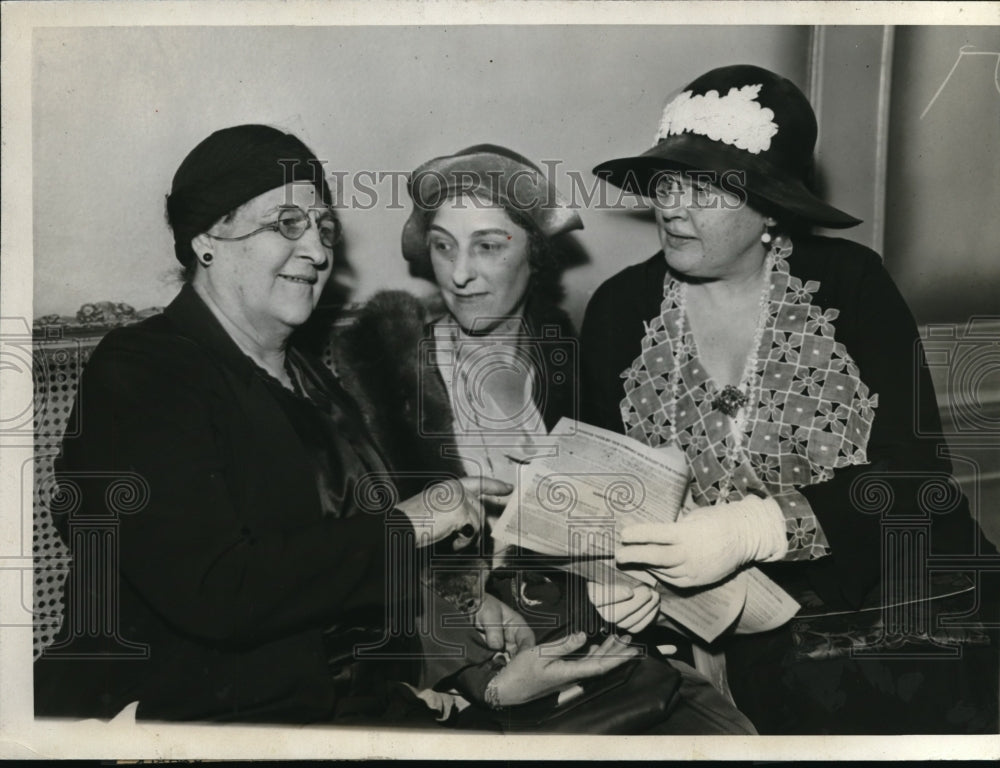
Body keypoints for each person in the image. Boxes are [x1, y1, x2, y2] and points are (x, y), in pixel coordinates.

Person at [32, 124, 588, 724]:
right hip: (188, 719)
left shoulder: (308, 377)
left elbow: (334, 569)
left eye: (323, 228)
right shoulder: (143, 370)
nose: (319, 252)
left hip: (340, 706)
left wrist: (468, 628)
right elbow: (216, 591)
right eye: (286, 224)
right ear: (207, 239)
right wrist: (408, 524)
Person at [582, 64, 999, 734]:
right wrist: (615, 576)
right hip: (747, 630)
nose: (673, 207)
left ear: (771, 208)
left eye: (704, 188)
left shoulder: (850, 283)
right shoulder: (618, 310)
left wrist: (755, 528)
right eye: (666, 182)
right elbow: (607, 488)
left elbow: (917, 476)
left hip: (909, 593)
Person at [334, 144, 756, 733]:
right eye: (443, 246)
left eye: (488, 245)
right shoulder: (382, 387)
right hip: (461, 671)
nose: (459, 274)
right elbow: (361, 566)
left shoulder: (577, 368)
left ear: (535, 253)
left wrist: (636, 585)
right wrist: (479, 657)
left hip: (591, 644)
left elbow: (616, 529)